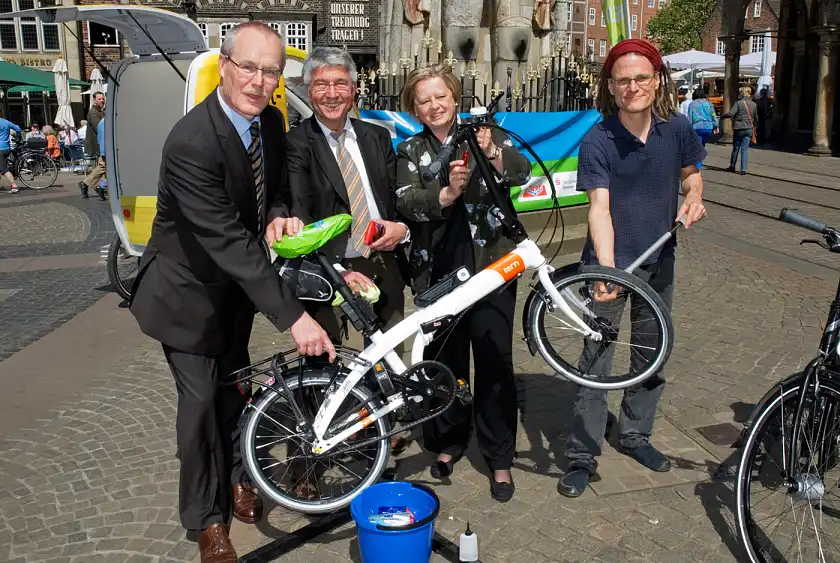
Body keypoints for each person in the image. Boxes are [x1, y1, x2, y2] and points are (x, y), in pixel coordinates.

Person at [129, 22, 334, 563]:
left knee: (236, 390)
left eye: (270, 71)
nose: (259, 81)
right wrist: (294, 318)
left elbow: (273, 192)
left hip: (234, 296)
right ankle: (207, 521)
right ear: (225, 66)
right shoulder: (191, 143)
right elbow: (224, 238)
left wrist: (278, 217)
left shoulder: (268, 121)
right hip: (186, 298)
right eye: (248, 67)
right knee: (199, 407)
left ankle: (244, 479)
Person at [556, 39, 707, 498]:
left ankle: (636, 434)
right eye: (623, 79)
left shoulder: (677, 129)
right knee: (595, 362)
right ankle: (582, 455)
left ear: (657, 79)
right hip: (609, 263)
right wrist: (606, 271)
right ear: (611, 86)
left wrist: (695, 195)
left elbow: (691, 172)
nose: (633, 87)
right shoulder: (598, 140)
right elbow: (598, 210)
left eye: (641, 77)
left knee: (651, 351)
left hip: (660, 260)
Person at [396, 64, 531, 503]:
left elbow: (520, 171)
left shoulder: (485, 132)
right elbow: (406, 203)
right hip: (438, 269)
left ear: (455, 98)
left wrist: (491, 153)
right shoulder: (410, 150)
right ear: (413, 108)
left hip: (492, 264)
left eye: (441, 96)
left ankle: (499, 456)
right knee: (446, 363)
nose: (434, 105)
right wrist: (447, 193)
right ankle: (447, 444)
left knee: (494, 360)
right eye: (424, 100)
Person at [284, 46, 410, 354]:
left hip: (384, 260)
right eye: (321, 84)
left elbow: (398, 198)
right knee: (333, 360)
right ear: (308, 90)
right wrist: (339, 272)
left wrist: (402, 230)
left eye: (340, 83)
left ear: (353, 89)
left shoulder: (376, 137)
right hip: (331, 270)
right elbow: (301, 214)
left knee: (391, 358)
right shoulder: (296, 144)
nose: (332, 93)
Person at [722, 86, 758, 175]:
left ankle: (732, 166)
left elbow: (731, 113)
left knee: (736, 148)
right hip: (749, 128)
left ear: (742, 93)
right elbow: (756, 117)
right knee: (745, 149)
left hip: (739, 128)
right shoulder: (754, 104)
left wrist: (723, 116)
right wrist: (755, 126)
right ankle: (743, 169)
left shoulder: (738, 103)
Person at [78, 92, 105, 198]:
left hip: (102, 143)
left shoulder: (102, 112)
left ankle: (99, 187)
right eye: (99, 99)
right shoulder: (93, 113)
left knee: (105, 166)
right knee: (104, 165)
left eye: (103, 99)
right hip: (98, 144)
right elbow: (100, 127)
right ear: (94, 100)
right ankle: (88, 184)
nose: (102, 101)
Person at [687, 88, 718, 170]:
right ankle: (699, 161)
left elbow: (689, 119)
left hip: (697, 128)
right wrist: (716, 126)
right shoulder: (709, 104)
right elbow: (713, 116)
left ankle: (698, 166)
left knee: (697, 147)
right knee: (702, 145)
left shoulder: (692, 104)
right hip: (708, 127)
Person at [0, 116, 21, 194]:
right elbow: (18, 129)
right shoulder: (6, 122)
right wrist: (17, 136)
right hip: (6, 148)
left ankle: (14, 186)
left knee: (3, 169)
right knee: (1, 167)